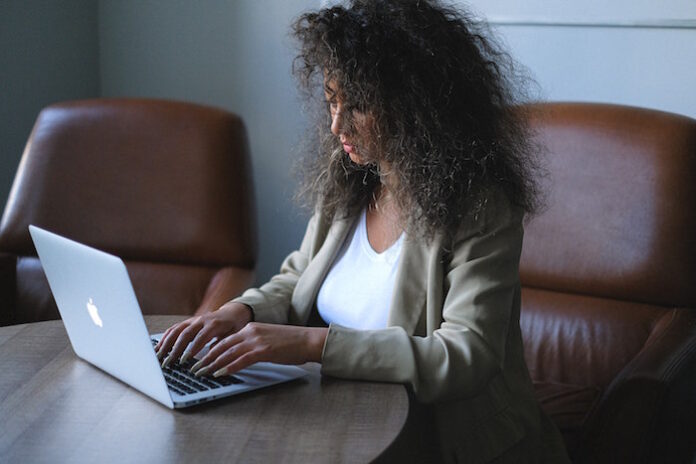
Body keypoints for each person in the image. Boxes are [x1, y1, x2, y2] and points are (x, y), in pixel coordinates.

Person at [155, 1, 569, 461]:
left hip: (439, 440)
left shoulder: (480, 205)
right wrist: (241, 312)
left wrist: (311, 345)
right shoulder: (352, 177)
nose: (336, 125)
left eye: (359, 105)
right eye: (332, 100)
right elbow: (298, 277)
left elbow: (465, 355)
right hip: (337, 418)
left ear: (416, 103)